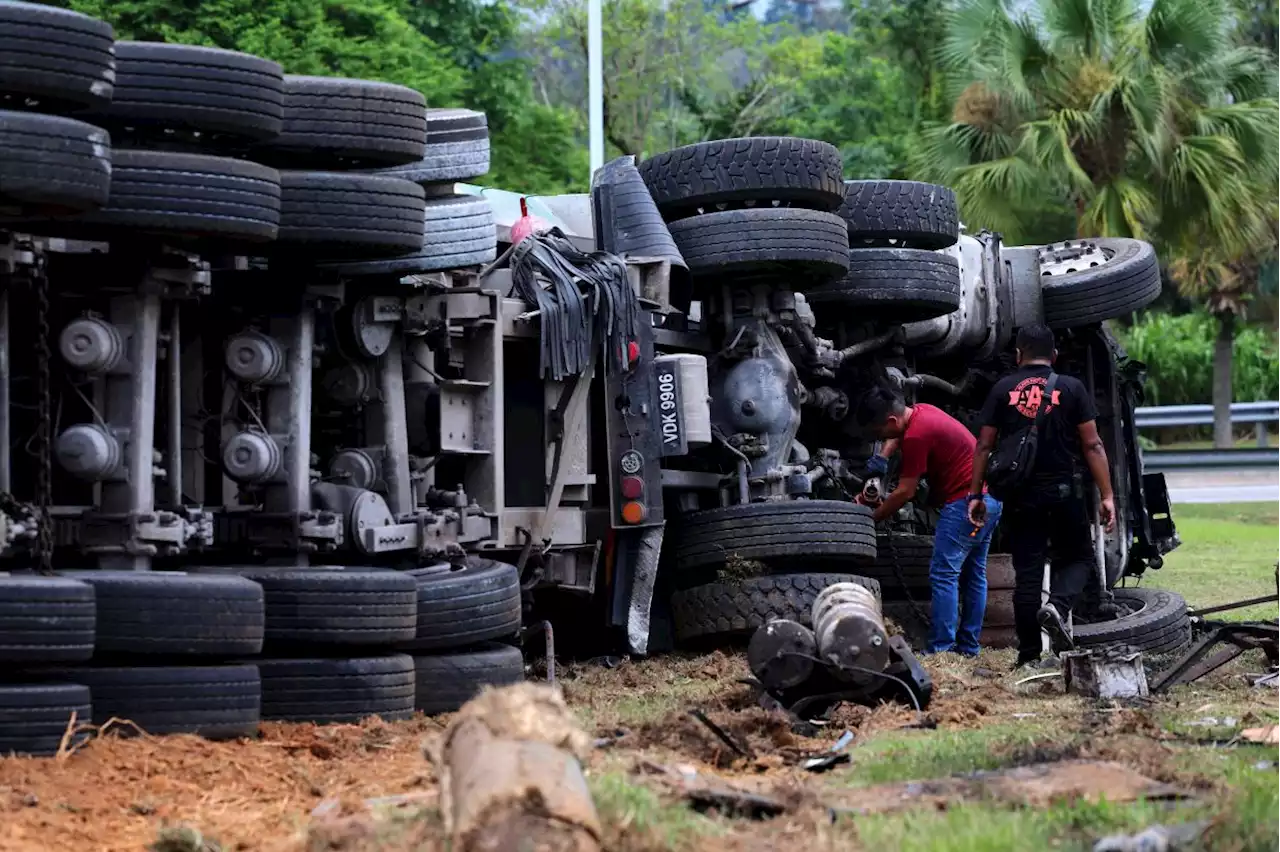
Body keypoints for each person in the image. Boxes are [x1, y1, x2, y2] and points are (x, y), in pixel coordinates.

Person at [966, 323, 1116, 668]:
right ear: (1054, 355)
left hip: (1020, 498)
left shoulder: (1002, 389)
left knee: (1028, 575)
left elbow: (984, 446)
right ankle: (1058, 607)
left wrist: (976, 494)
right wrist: (1107, 495)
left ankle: (1028, 656)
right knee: (1080, 558)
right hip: (1064, 492)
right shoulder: (1072, 388)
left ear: (1018, 354)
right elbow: (1092, 444)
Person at [855, 386, 1003, 656]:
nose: (881, 438)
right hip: (989, 500)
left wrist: (871, 517)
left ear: (891, 421)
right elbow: (897, 437)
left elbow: (905, 492)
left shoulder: (916, 436)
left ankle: (942, 650)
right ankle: (969, 648)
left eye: (880, 433)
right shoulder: (922, 412)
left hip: (963, 505)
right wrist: (882, 458)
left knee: (944, 574)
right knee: (974, 575)